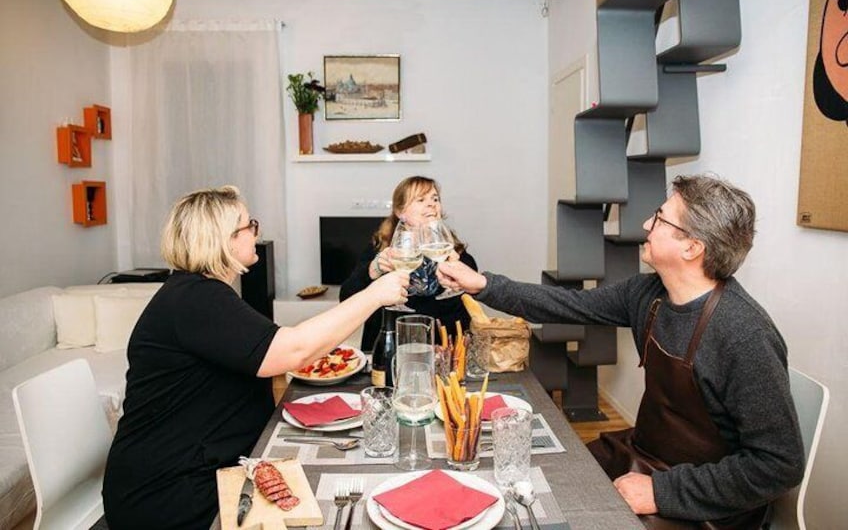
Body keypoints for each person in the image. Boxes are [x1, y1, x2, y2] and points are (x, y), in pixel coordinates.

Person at [437, 175, 805, 529]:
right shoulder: (648, 294)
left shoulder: (744, 333)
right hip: (641, 453)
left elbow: (779, 465)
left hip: (705, 502)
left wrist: (662, 493)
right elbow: (566, 304)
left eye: (660, 218)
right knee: (547, 479)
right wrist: (484, 285)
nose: (647, 222)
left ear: (692, 247)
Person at [102, 186, 408, 530]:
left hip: (208, 468)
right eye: (250, 226)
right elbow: (291, 351)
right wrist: (375, 295)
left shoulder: (200, 293)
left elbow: (267, 355)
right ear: (223, 239)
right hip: (168, 493)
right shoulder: (195, 300)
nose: (256, 234)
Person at [340, 176, 477, 351]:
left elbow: (468, 305)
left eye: (435, 199)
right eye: (421, 200)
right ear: (400, 212)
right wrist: (373, 270)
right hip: (390, 349)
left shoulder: (452, 251)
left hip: (442, 351)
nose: (431, 204)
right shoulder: (382, 249)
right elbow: (346, 298)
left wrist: (458, 273)